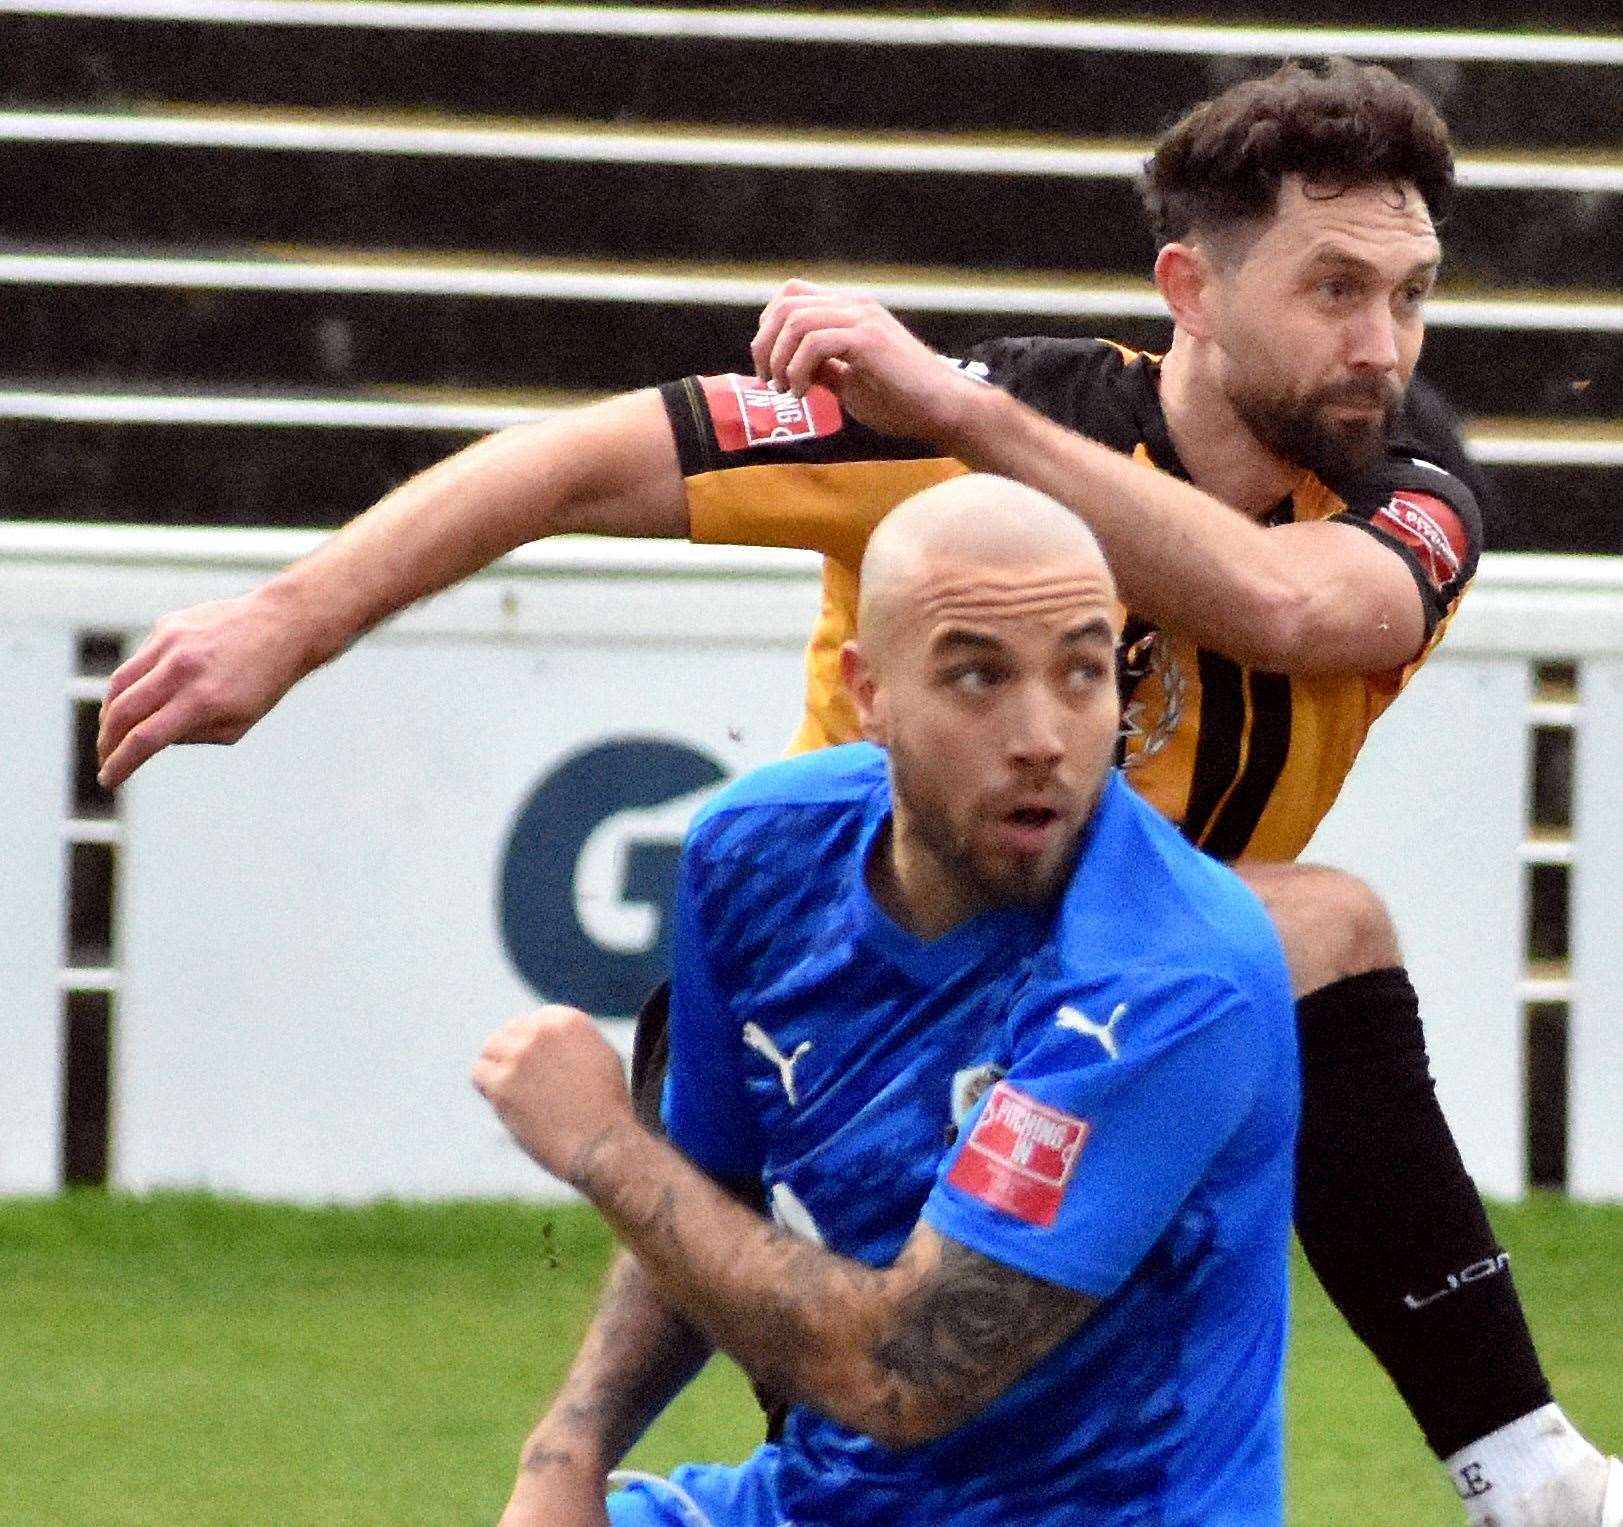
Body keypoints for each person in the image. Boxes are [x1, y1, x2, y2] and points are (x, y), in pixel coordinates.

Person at [95, 59, 1619, 1525]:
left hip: (1115, 1029)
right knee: (893, 1455)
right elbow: (570, 460)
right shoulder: (954, 437)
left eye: (1409, 294)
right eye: (1333, 289)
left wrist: (961, 420)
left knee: (1309, 935)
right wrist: (283, 622)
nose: (1381, 343)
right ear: (1191, 291)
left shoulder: (1395, 488)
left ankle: (1522, 1466)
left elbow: (1296, 614)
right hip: (837, 1021)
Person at [474, 475, 1301, 1525]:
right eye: (978, 677)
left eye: (1084, 673)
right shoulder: (756, 854)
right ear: (868, 694)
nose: (1042, 735)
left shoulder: (1171, 980)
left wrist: (601, 1145)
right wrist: (567, 1456)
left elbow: (902, 1376)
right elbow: (708, 1197)